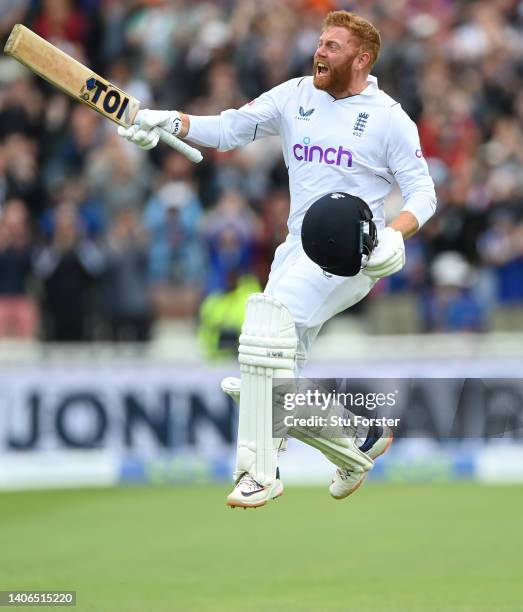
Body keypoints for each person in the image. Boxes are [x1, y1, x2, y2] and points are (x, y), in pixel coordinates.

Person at [119, 10, 437, 507]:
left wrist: (396, 235)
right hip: (295, 249)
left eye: (333, 45)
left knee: (261, 341)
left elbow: (423, 193)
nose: (320, 51)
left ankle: (260, 471)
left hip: (351, 254)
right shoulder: (294, 96)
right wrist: (168, 122)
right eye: (320, 42)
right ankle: (357, 441)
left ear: (362, 57)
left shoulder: (389, 117)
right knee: (276, 371)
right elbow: (231, 129)